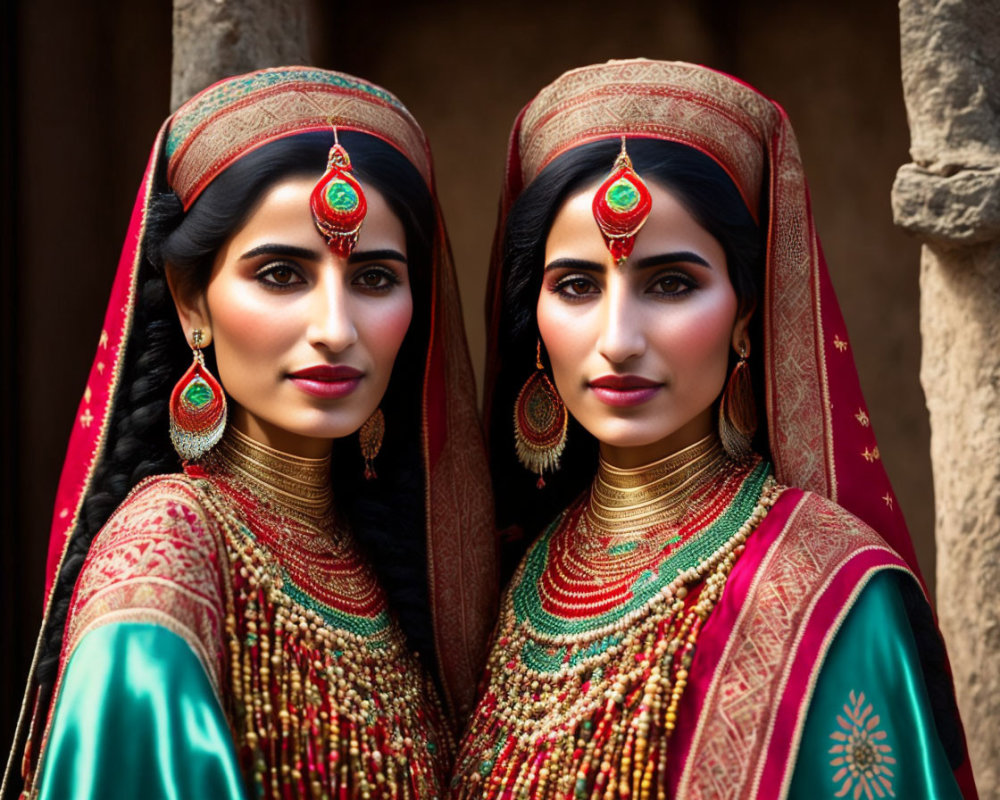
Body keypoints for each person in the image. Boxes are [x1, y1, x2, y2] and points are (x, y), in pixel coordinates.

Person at [452, 59, 977, 799]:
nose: (619, 338)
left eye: (671, 284)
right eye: (576, 285)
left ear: (746, 316)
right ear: (531, 319)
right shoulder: (522, 578)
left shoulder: (824, 587)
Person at [3, 66, 496, 800]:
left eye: (374, 279)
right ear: (191, 301)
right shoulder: (167, 555)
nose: (335, 330)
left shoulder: (378, 571)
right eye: (280, 275)